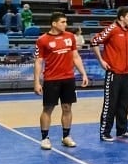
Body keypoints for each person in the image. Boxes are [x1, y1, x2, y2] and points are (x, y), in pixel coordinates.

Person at [34, 12, 89, 150]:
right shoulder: (42, 40)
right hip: (51, 79)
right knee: (48, 108)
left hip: (68, 79)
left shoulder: (70, 37)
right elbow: (39, 62)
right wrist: (36, 82)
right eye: (63, 22)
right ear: (54, 23)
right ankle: (45, 138)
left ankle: (66, 136)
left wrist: (83, 74)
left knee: (67, 108)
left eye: (66, 22)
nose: (66, 24)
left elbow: (75, 56)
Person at [90, 6, 128, 141]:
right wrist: (101, 61)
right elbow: (94, 41)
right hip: (114, 72)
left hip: (126, 73)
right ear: (121, 17)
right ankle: (105, 132)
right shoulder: (112, 29)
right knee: (111, 103)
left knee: (124, 103)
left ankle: (122, 130)